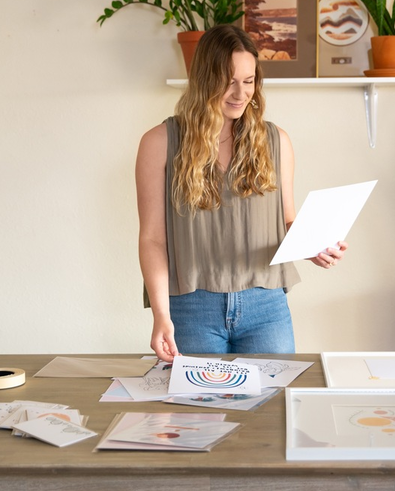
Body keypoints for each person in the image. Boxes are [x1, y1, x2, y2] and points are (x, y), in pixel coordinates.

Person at [136, 24, 347, 362]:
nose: (240, 93)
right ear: (204, 79)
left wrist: (314, 246)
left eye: (248, 81)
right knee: (198, 415)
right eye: (227, 81)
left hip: (266, 305)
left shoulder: (276, 140)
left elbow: (287, 221)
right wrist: (161, 314)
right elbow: (152, 240)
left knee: (274, 410)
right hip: (191, 308)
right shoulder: (159, 143)